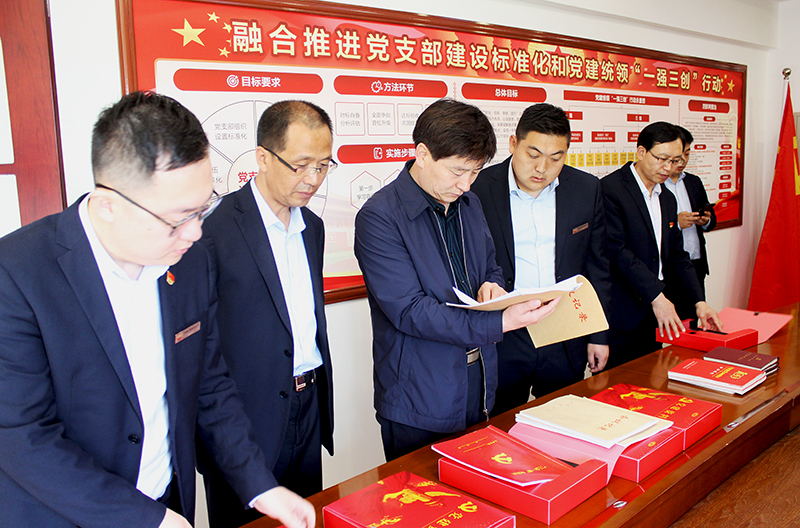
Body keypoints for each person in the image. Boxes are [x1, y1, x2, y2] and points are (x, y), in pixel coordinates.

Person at [0, 92, 314, 528]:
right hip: (66, 515)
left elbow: (209, 385)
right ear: (108, 205)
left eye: (202, 209)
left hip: (169, 500)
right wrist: (145, 519)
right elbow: (21, 436)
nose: (195, 232)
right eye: (178, 218)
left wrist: (260, 486)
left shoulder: (191, 261)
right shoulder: (17, 274)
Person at [354, 99, 559, 462]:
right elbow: (411, 311)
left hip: (479, 382)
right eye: (457, 171)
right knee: (424, 493)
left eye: (475, 172)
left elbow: (490, 267)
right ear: (422, 154)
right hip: (419, 394)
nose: (465, 184)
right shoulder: (380, 217)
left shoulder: (470, 204)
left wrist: (493, 286)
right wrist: (500, 321)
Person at [197, 100, 335, 528]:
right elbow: (201, 345)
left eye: (323, 165)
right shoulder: (212, 229)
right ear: (263, 156)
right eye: (301, 165)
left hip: (307, 405)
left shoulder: (312, 228)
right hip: (243, 417)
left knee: (305, 516)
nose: (313, 179)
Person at [471, 103, 612, 415]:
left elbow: (597, 266)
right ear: (513, 144)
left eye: (555, 158)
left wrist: (598, 335)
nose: (542, 168)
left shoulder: (585, 189)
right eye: (533, 155)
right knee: (501, 422)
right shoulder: (478, 189)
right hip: (504, 334)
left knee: (564, 419)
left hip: (564, 330)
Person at [601, 121, 722, 369]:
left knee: (650, 379)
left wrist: (699, 301)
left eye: (675, 160)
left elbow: (677, 254)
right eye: (662, 159)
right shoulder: (610, 189)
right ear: (641, 152)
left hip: (654, 311)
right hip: (621, 312)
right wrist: (657, 297)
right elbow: (617, 252)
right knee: (616, 384)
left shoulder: (666, 197)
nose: (668, 168)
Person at [663, 126, 717, 320]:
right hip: (669, 269)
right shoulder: (656, 185)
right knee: (669, 325)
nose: (683, 161)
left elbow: (711, 218)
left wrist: (706, 220)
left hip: (695, 265)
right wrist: (675, 223)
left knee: (695, 320)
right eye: (678, 156)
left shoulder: (693, 182)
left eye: (687, 154)